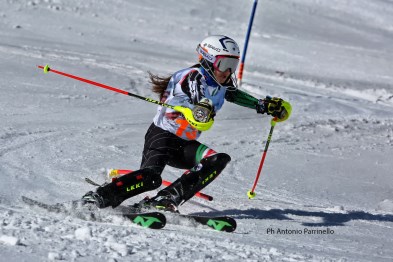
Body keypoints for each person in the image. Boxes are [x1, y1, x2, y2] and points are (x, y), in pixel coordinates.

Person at [81, 35, 290, 211]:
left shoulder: (219, 82)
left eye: (232, 65)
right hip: (162, 137)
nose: (228, 72)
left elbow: (233, 95)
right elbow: (198, 97)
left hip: (185, 145)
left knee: (218, 160)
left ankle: (165, 200)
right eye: (224, 64)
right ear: (208, 60)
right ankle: (99, 197)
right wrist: (202, 107)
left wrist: (263, 105)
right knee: (150, 178)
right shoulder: (192, 76)